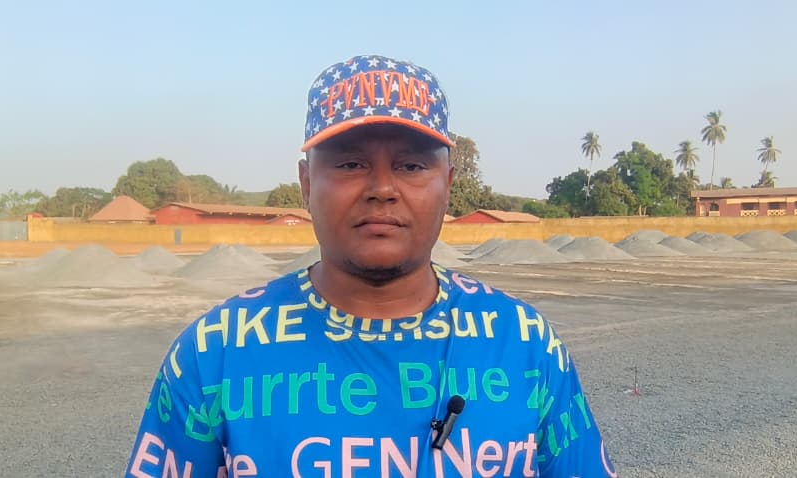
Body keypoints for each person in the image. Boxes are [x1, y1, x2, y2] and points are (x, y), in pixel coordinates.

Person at [125, 54, 616, 477]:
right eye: (350, 164)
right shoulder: (216, 351)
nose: (382, 188)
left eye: (411, 166)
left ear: (447, 183)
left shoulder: (523, 343)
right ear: (306, 183)